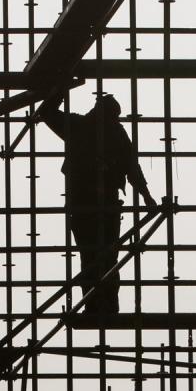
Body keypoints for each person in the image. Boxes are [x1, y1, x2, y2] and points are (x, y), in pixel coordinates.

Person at [42, 95, 157, 314]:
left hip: (86, 205)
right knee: (106, 257)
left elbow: (47, 113)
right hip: (102, 207)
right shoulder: (113, 133)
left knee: (92, 257)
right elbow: (132, 169)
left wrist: (59, 90)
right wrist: (146, 196)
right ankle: (106, 305)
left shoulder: (80, 127)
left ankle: (96, 305)